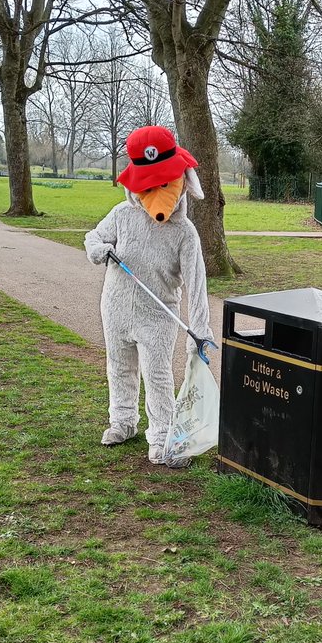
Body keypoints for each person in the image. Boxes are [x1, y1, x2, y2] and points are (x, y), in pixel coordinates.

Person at [84, 125, 213, 465]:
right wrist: (99, 249)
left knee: (157, 375)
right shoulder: (122, 214)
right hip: (115, 308)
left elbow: (197, 285)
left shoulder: (185, 233)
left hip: (157, 317)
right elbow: (93, 236)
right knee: (119, 367)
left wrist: (199, 331)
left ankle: (161, 436)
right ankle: (123, 422)